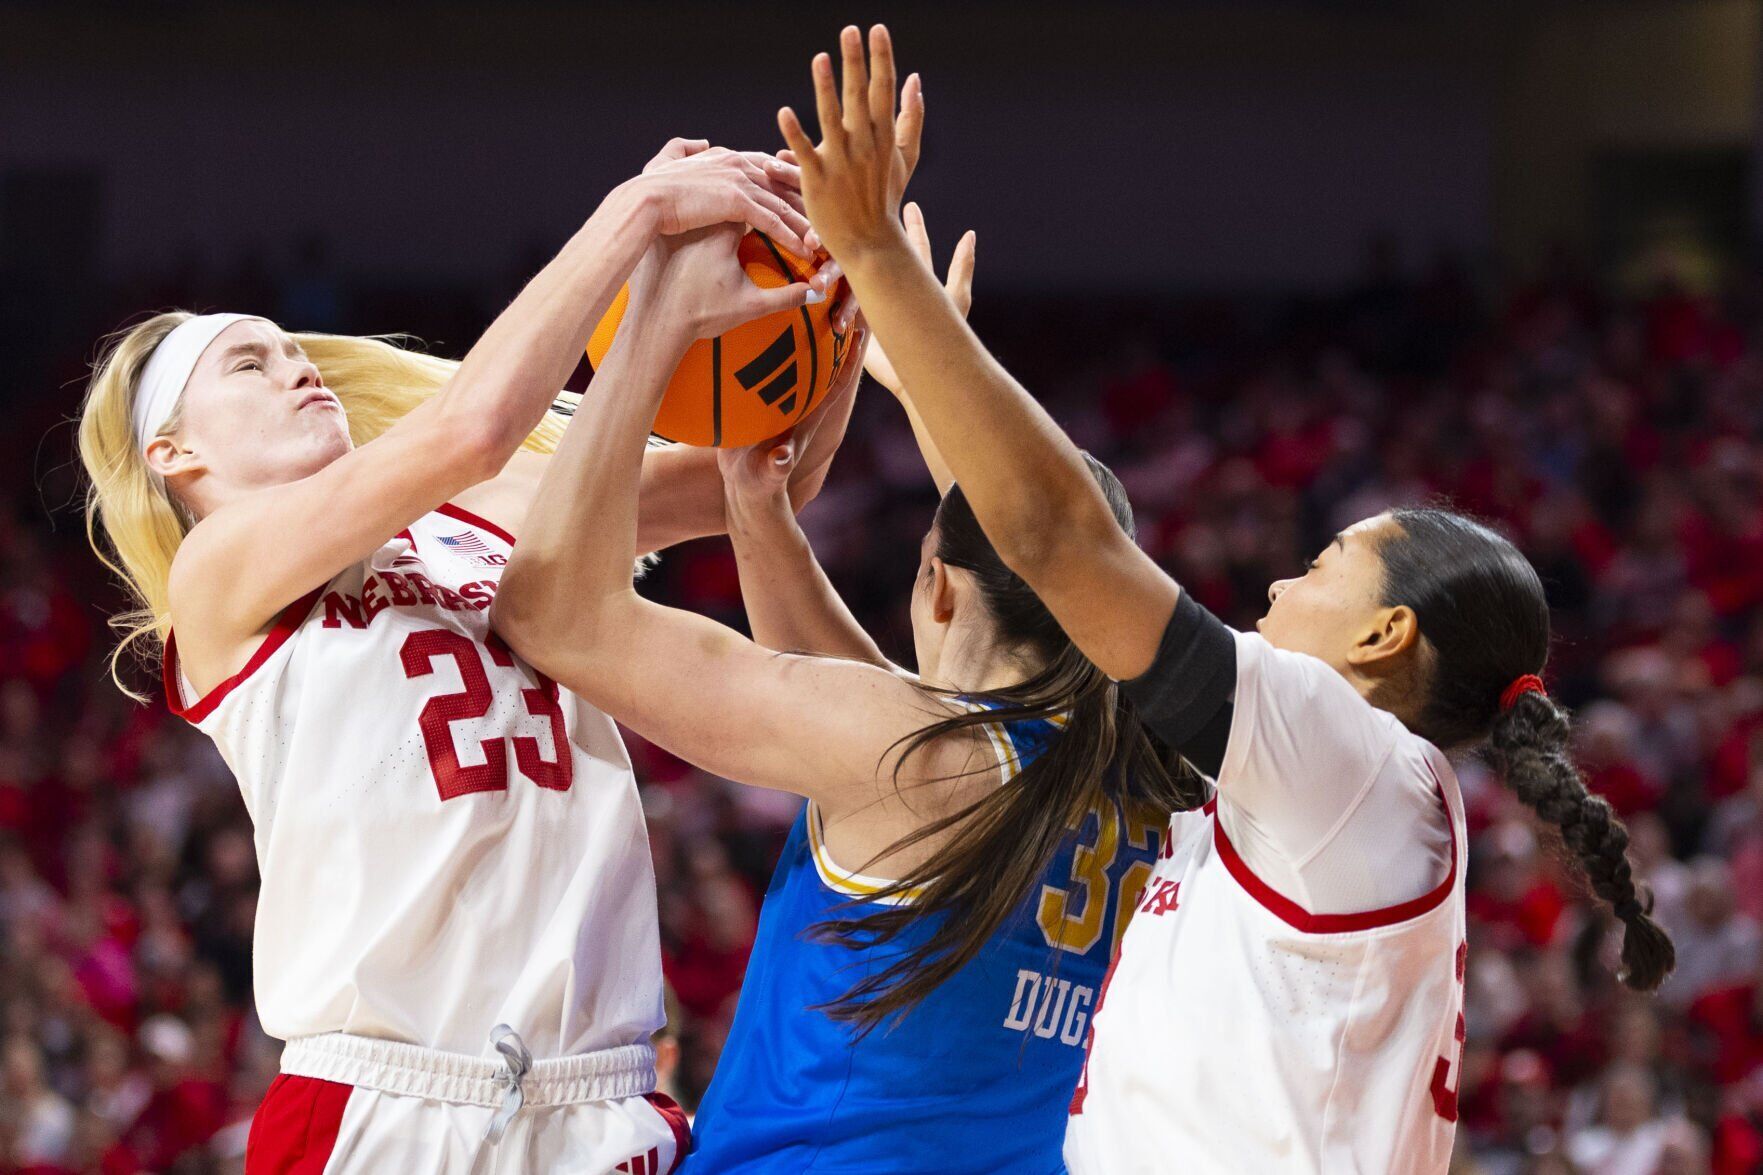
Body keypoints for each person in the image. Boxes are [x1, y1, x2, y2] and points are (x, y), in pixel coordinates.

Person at [776, 25, 1677, 1173]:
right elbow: (1053, 574)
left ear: (1382, 631)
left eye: (1321, 562)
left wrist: (875, 260)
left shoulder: (1345, 758)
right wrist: (934, 393)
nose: (1273, 581)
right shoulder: (1336, 794)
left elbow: (1062, 545)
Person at [76, 140, 837, 1174]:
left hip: (599, 1098)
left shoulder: (475, 515)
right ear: (175, 453)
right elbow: (475, 423)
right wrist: (637, 210)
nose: (296, 365)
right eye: (250, 363)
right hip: (388, 1107)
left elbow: (758, 483)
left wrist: (852, 286)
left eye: (294, 350)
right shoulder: (219, 570)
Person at [490, 206, 1191, 1170]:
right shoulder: (1127, 758)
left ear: (936, 587)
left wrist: (648, 327)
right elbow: (886, 693)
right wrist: (757, 512)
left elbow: (550, 612)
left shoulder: (914, 751)